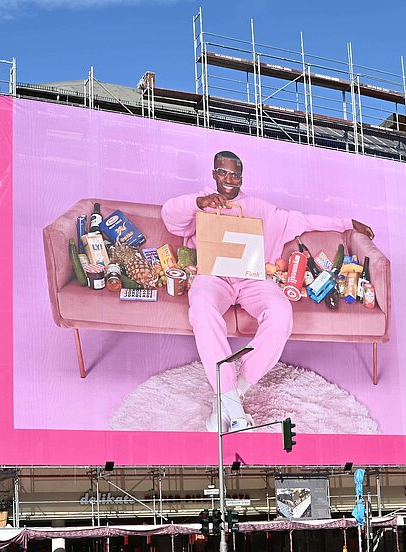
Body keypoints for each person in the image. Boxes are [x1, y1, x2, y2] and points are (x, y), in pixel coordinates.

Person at [161, 150, 376, 430]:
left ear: (242, 177)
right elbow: (169, 218)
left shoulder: (262, 209)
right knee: (201, 307)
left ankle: (233, 392)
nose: (229, 179)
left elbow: (306, 220)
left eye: (235, 174)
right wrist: (198, 203)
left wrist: (347, 224)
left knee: (281, 312)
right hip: (213, 276)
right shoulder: (200, 203)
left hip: (253, 278)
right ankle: (230, 398)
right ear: (213, 173)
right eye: (223, 173)